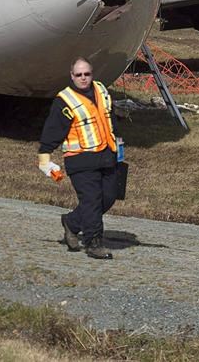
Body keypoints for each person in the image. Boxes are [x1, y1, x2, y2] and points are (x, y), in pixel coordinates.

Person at [37, 57, 120, 259]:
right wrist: (44, 157)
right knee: (91, 201)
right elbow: (52, 130)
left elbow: (109, 117)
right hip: (80, 160)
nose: (83, 78)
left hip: (107, 155)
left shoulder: (101, 90)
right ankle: (94, 243)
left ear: (92, 74)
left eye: (87, 74)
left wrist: (118, 139)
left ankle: (72, 222)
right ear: (71, 76)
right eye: (79, 75)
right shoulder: (64, 100)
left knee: (108, 198)